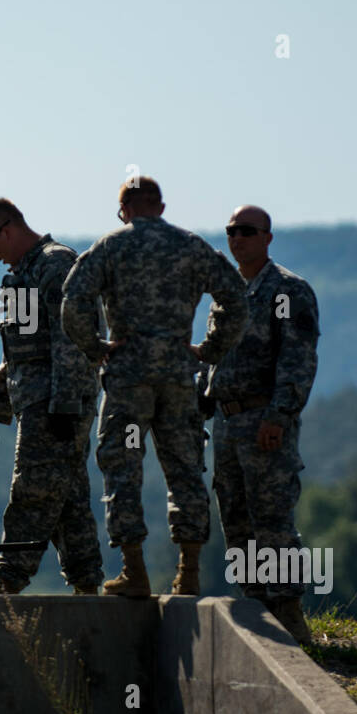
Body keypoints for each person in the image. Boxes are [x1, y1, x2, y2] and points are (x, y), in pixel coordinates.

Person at [61, 177, 248, 597]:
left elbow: (73, 300)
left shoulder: (110, 247)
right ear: (160, 208)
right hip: (179, 379)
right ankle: (190, 572)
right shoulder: (191, 246)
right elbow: (235, 297)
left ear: (124, 209)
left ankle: (134, 571)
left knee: (123, 467)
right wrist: (209, 349)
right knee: (184, 468)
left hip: (128, 381)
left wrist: (97, 347)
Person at [197, 205, 319, 644]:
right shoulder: (227, 294)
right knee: (237, 520)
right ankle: (256, 605)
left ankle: (288, 612)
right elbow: (214, 356)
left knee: (272, 519)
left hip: (264, 420)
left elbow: (298, 359)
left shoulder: (288, 291)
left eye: (247, 231)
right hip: (227, 422)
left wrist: (279, 416)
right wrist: (198, 404)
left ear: (268, 237)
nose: (237, 238)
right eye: (231, 231)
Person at [0, 199, 104, 595]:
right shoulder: (21, 275)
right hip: (37, 402)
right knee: (67, 499)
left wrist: (63, 405)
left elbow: (72, 339)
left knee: (32, 490)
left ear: (7, 231)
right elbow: (17, 351)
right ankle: (87, 588)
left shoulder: (56, 264)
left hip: (56, 404)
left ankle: (8, 586)